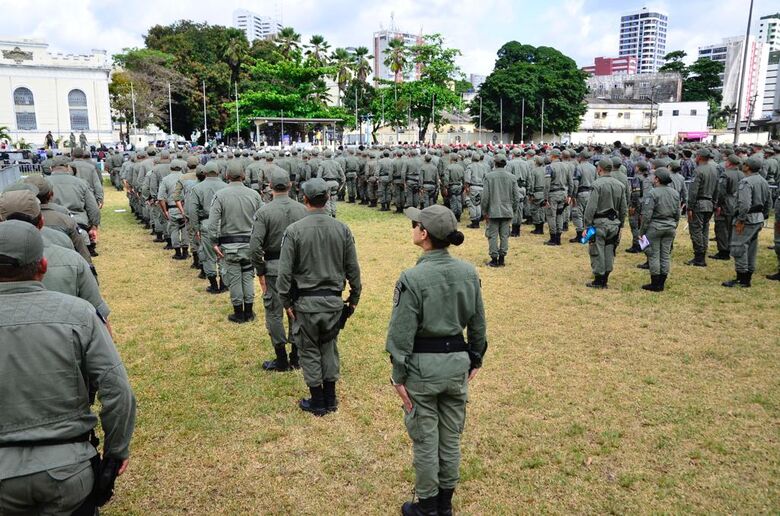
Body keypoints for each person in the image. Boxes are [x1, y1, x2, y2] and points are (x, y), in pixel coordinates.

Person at [0, 220, 136, 515]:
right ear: (43, 266)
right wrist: (114, 455)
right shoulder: (79, 314)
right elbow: (117, 390)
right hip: (67, 468)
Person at [386, 204, 487, 516]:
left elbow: (401, 335)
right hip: (456, 363)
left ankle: (428, 505)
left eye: (416, 224)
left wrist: (398, 376)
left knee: (426, 438)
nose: (413, 227)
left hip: (422, 368)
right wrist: (475, 358)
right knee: (451, 436)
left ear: (424, 234)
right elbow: (479, 325)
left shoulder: (413, 278)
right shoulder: (468, 272)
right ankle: (445, 504)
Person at [276, 178, 362, 416]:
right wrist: (354, 298)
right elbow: (353, 269)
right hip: (334, 302)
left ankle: (317, 400)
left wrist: (285, 302)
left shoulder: (293, 231)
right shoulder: (342, 228)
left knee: (309, 349)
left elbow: (284, 273)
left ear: (304, 200)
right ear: (328, 199)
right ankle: (330, 397)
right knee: (329, 346)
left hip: (306, 303)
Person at [250, 168, 308, 372]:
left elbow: (255, 247)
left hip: (274, 268)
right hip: (298, 269)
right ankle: (296, 356)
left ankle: (281, 359)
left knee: (274, 313)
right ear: (290, 185)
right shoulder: (302, 209)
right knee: (297, 310)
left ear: (270, 187)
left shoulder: (264, 212)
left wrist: (261, 271)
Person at [209, 160, 263, 322]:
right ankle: (249, 312)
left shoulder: (220, 195)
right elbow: (262, 220)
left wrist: (214, 242)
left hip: (229, 245)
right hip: (249, 245)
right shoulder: (254, 195)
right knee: (247, 276)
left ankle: (238, 313)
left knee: (234, 278)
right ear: (244, 175)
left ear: (226, 176)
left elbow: (213, 223)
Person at [722, 157, 771, 288]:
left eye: (745, 164)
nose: (742, 165)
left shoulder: (746, 182)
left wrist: (741, 219)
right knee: (751, 248)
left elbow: (744, 204)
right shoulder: (763, 181)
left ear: (748, 167)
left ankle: (742, 278)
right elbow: (768, 201)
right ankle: (747, 276)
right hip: (758, 218)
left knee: (739, 248)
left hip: (747, 219)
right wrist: (764, 215)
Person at [582, 159, 628, 289]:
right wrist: (621, 225)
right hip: (614, 223)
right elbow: (623, 208)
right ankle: (605, 277)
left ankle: (599, 280)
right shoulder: (620, 185)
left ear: (599, 169)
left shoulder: (597, 185)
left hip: (599, 223)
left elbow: (590, 208)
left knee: (597, 250)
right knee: (609, 250)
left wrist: (587, 225)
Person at [639, 168, 680, 292]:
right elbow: (677, 213)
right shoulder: (674, 193)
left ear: (657, 179)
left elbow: (647, 215)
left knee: (654, 255)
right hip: (670, 226)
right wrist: (674, 225)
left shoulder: (653, 193)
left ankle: (655, 283)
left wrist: (642, 232)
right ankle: (662, 282)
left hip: (655, 227)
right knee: (665, 255)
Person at [481, 154, 520, 267]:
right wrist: (513, 210)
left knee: (492, 235)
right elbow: (516, 197)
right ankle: (502, 258)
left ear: (495, 163)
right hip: (507, 210)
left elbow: (485, 197)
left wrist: (484, 211)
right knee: (504, 235)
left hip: (493, 211)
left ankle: (494, 259)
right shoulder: (512, 177)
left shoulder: (489, 176)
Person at [686, 149, 718, 267]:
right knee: (704, 229)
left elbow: (694, 191)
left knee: (696, 230)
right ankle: (702, 254)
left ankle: (699, 257)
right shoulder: (714, 170)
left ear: (699, 157)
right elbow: (716, 189)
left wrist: (690, 207)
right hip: (709, 204)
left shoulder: (698, 170)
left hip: (699, 204)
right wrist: (714, 203)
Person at [710, 154, 743, 261]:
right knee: (731, 228)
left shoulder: (725, 174)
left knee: (721, 228)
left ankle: (723, 252)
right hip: (737, 203)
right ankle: (730, 248)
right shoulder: (742, 174)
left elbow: (721, 192)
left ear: (729, 163)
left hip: (726, 204)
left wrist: (718, 205)